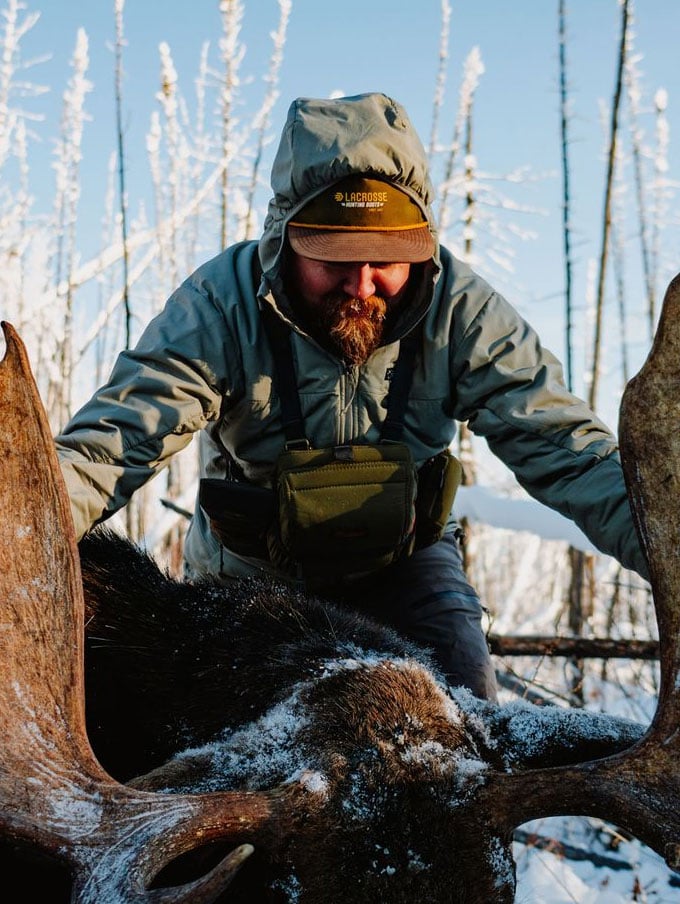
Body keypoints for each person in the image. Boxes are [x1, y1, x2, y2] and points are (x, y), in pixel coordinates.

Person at [56, 92, 648, 702]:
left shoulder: (462, 311)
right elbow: (113, 446)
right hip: (254, 578)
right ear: (288, 238)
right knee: (227, 757)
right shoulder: (220, 306)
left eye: (387, 258)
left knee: (468, 732)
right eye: (335, 257)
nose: (362, 284)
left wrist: (669, 547)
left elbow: (570, 452)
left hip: (406, 569)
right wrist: (22, 534)